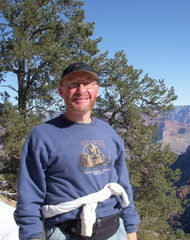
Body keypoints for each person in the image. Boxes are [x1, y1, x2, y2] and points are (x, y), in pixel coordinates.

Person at [14, 62, 140, 240]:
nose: (81, 90)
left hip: (115, 232)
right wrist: (31, 235)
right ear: (61, 91)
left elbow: (123, 185)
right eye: (73, 84)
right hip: (65, 233)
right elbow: (29, 194)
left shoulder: (109, 132)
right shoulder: (42, 136)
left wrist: (130, 229)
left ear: (96, 90)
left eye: (87, 83)